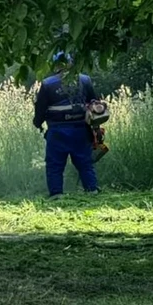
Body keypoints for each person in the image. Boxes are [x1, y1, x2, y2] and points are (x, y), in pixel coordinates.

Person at [33, 52, 100, 199]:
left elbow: (40, 110)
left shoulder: (47, 84)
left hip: (58, 131)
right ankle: (92, 191)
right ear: (71, 63)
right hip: (81, 129)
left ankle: (57, 195)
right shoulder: (85, 80)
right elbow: (96, 104)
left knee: (55, 165)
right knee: (85, 163)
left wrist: (37, 123)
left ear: (56, 64)